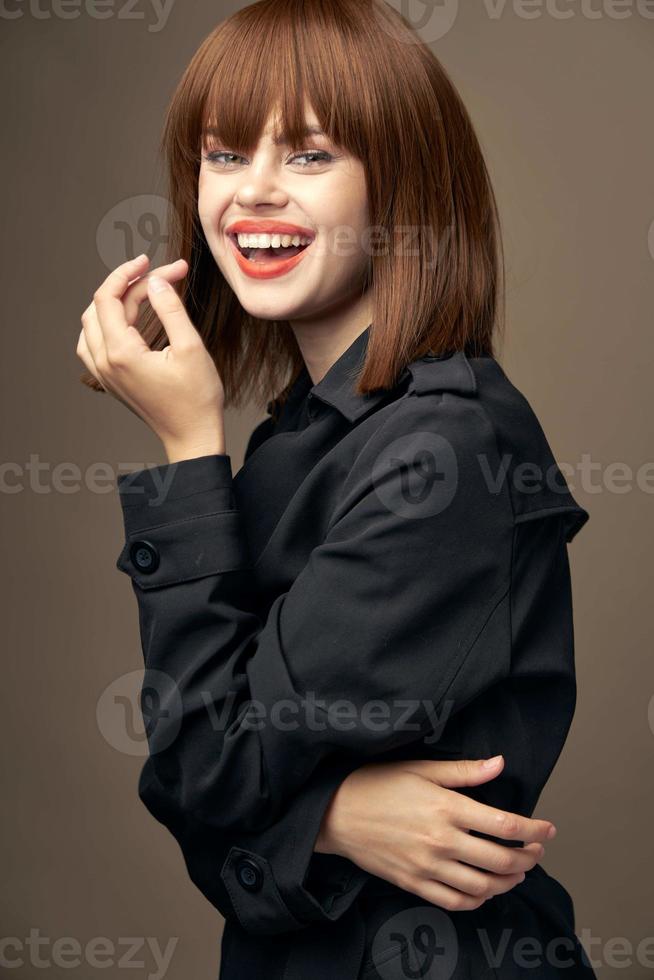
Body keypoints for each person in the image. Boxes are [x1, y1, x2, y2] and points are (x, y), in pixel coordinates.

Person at [76, 1, 596, 977]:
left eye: (311, 155)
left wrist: (188, 445)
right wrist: (333, 820)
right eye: (224, 155)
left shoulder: (441, 453)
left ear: (399, 186)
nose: (253, 193)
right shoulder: (312, 430)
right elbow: (213, 818)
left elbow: (208, 771)